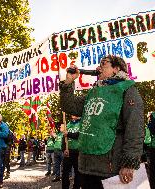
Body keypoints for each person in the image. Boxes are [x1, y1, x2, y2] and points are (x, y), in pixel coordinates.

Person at [59, 55, 144, 189]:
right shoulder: (94, 91)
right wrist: (68, 83)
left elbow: (135, 128)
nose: (99, 67)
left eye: (104, 63)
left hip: (111, 166)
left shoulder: (128, 89)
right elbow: (69, 106)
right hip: (87, 164)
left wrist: (129, 163)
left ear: (116, 69)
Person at [62, 115, 81, 189]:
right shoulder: (68, 124)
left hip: (78, 152)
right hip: (68, 152)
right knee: (65, 173)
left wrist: (68, 134)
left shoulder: (82, 123)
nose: (72, 115)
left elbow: (80, 135)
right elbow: (64, 139)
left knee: (78, 172)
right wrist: (64, 149)